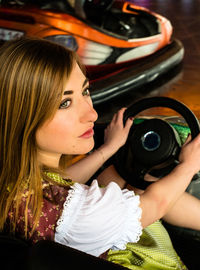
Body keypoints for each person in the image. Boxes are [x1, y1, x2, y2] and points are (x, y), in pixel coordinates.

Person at [0, 37, 200, 269]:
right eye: (64, 103)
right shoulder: (77, 213)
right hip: (134, 262)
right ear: (21, 118)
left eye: (85, 91)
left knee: (130, 175)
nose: (92, 114)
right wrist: (189, 166)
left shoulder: (16, 181)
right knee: (144, 184)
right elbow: (156, 203)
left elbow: (64, 181)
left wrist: (108, 150)